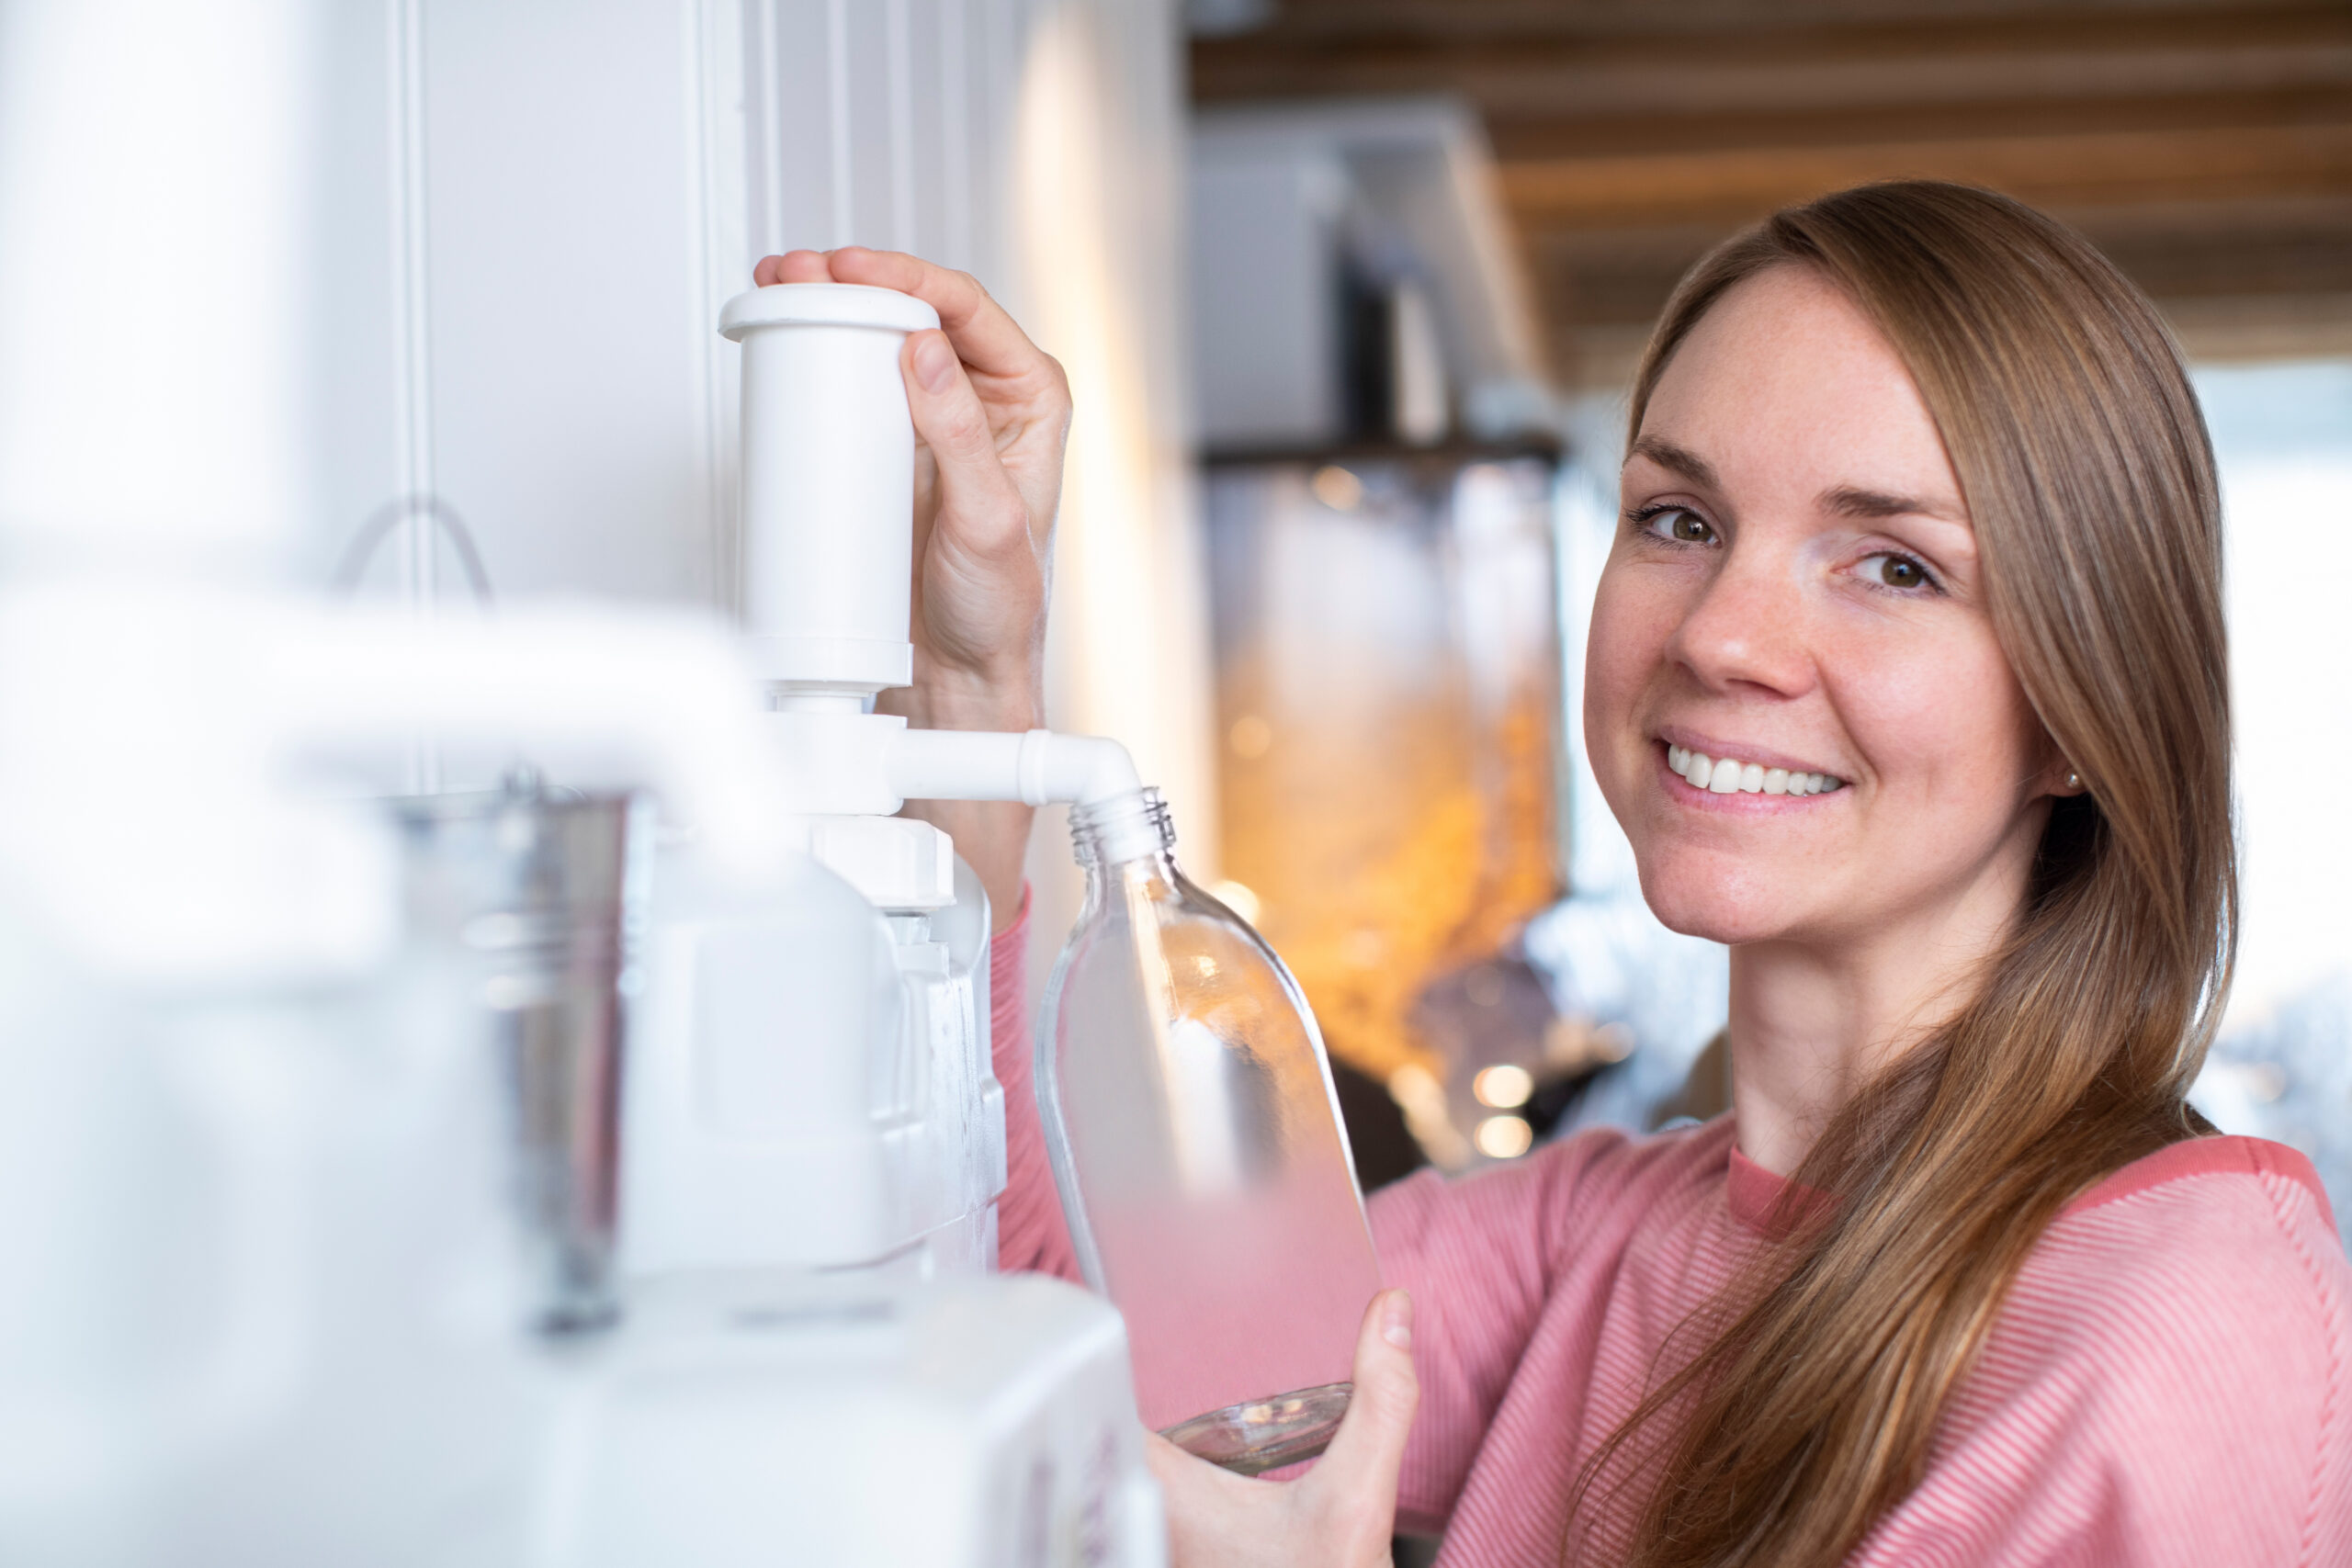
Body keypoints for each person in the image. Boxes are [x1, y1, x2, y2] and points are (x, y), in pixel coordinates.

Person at [752, 180, 2352, 1566]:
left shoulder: (2181, 1318)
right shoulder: (1598, 1235)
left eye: (1896, 565)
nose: (1722, 634)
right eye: (1678, 517)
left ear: (2086, 710)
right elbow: (1061, 1346)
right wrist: (980, 689)